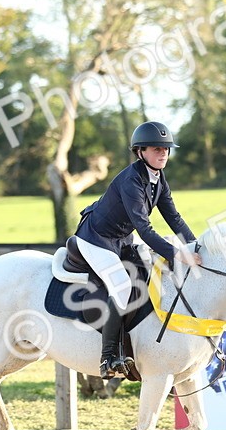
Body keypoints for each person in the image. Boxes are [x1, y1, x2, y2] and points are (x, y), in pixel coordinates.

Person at [66, 121, 203, 378]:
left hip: (121, 239)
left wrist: (195, 246)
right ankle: (108, 357)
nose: (163, 153)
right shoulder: (131, 180)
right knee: (122, 285)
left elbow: (174, 218)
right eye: (156, 149)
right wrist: (177, 253)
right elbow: (145, 228)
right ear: (140, 152)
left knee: (150, 271)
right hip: (95, 239)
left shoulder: (158, 178)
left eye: (166, 149)